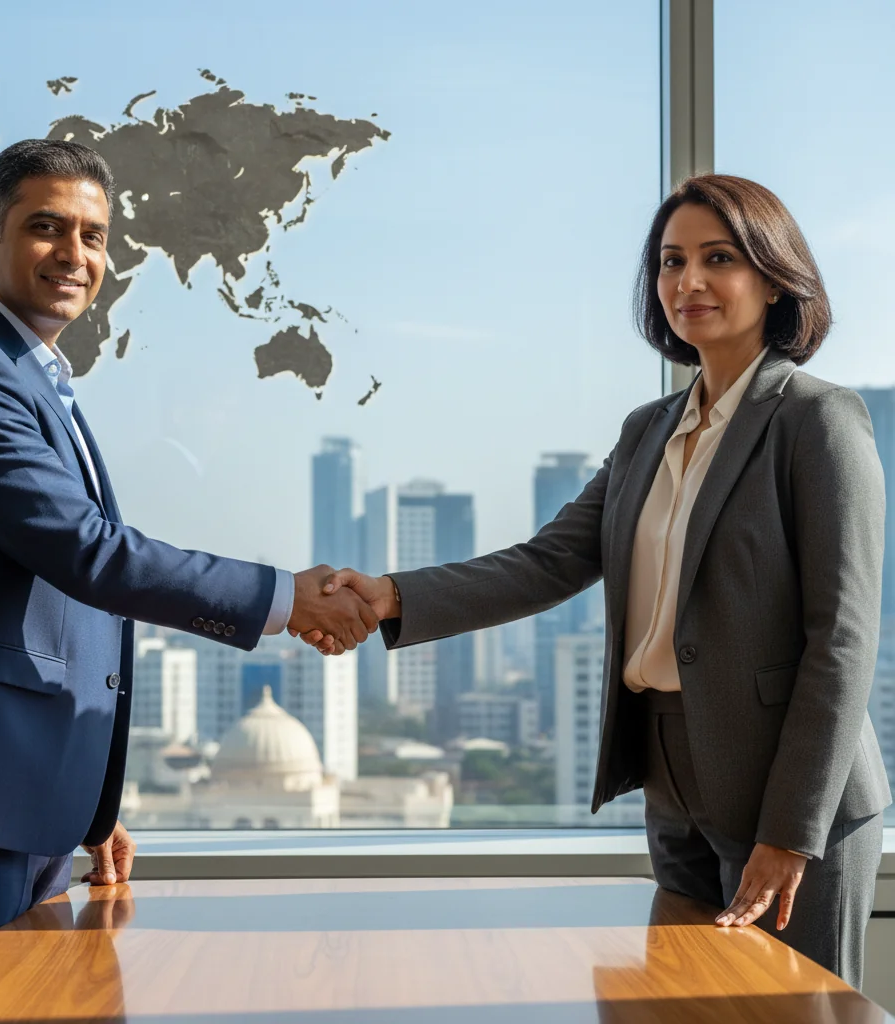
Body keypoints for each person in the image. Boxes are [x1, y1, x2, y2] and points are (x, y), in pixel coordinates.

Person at [300, 174, 891, 988]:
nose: (688, 282)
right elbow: (549, 561)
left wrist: (791, 831)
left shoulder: (818, 420)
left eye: (718, 258)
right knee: (681, 1007)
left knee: (790, 1012)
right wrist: (392, 596)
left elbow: (845, 638)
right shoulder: (648, 429)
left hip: (792, 795)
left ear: (773, 276)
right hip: (673, 785)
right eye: (670, 261)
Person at [0, 138, 376, 1003]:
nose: (75, 256)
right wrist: (283, 598)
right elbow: (87, 554)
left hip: (18, 798)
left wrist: (87, 805)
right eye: (46, 228)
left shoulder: (30, 376)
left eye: (94, 237)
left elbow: (57, 613)